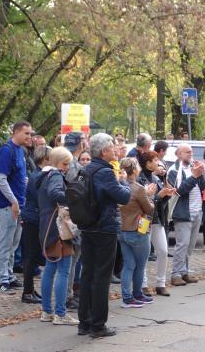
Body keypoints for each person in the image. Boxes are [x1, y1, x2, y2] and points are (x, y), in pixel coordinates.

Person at [78, 133, 131, 338]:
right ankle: (98, 325)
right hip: (104, 227)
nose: (115, 150)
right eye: (112, 147)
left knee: (87, 274)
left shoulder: (86, 169)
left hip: (88, 225)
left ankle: (84, 322)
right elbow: (124, 196)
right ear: (104, 151)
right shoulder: (105, 172)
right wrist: (123, 182)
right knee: (102, 277)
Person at [38, 146, 78, 326]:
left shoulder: (40, 175)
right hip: (59, 228)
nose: (67, 167)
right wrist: (73, 198)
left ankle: (47, 311)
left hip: (46, 227)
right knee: (63, 270)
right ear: (57, 162)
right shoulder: (55, 175)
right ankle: (60, 313)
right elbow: (55, 194)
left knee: (50, 270)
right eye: (65, 163)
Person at [0, 120, 32, 293]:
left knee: (14, 242)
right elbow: (0, 179)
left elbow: (16, 176)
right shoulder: (7, 151)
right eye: (26, 133)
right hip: (9, 206)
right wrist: (13, 201)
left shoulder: (20, 151)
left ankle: (9, 275)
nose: (29, 136)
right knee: (6, 242)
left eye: (30, 133)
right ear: (16, 132)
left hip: (18, 204)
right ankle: (2, 279)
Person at [168, 143, 205, 286]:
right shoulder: (174, 171)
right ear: (178, 155)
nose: (190, 154)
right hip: (183, 213)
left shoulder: (193, 168)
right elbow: (179, 191)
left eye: (191, 152)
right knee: (182, 244)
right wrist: (194, 176)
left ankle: (184, 272)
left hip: (197, 211)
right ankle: (176, 274)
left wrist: (200, 174)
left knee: (190, 245)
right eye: (186, 152)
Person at [118, 158, 155, 307]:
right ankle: (137, 293)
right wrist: (150, 196)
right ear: (134, 170)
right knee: (140, 265)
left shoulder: (119, 185)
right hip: (138, 229)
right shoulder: (138, 188)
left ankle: (127, 297)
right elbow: (149, 208)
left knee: (128, 264)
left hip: (122, 230)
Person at [138, 151, 174, 297]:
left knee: (163, 251)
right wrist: (160, 196)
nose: (158, 163)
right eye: (155, 160)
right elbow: (144, 201)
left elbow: (159, 201)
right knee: (143, 253)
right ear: (147, 163)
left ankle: (160, 283)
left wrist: (167, 195)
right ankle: (143, 284)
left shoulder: (155, 178)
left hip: (157, 219)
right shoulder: (140, 179)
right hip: (144, 220)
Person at [20, 145, 51, 304]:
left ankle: (30, 289)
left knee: (31, 255)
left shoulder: (37, 174)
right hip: (33, 219)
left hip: (32, 217)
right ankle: (27, 292)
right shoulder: (39, 176)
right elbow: (42, 198)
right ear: (45, 159)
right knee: (31, 256)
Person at [64, 132, 84, 310]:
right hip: (72, 217)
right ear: (80, 145)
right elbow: (75, 190)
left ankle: (68, 294)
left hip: (69, 214)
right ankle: (67, 296)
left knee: (72, 260)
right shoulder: (73, 165)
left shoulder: (64, 161)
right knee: (71, 260)